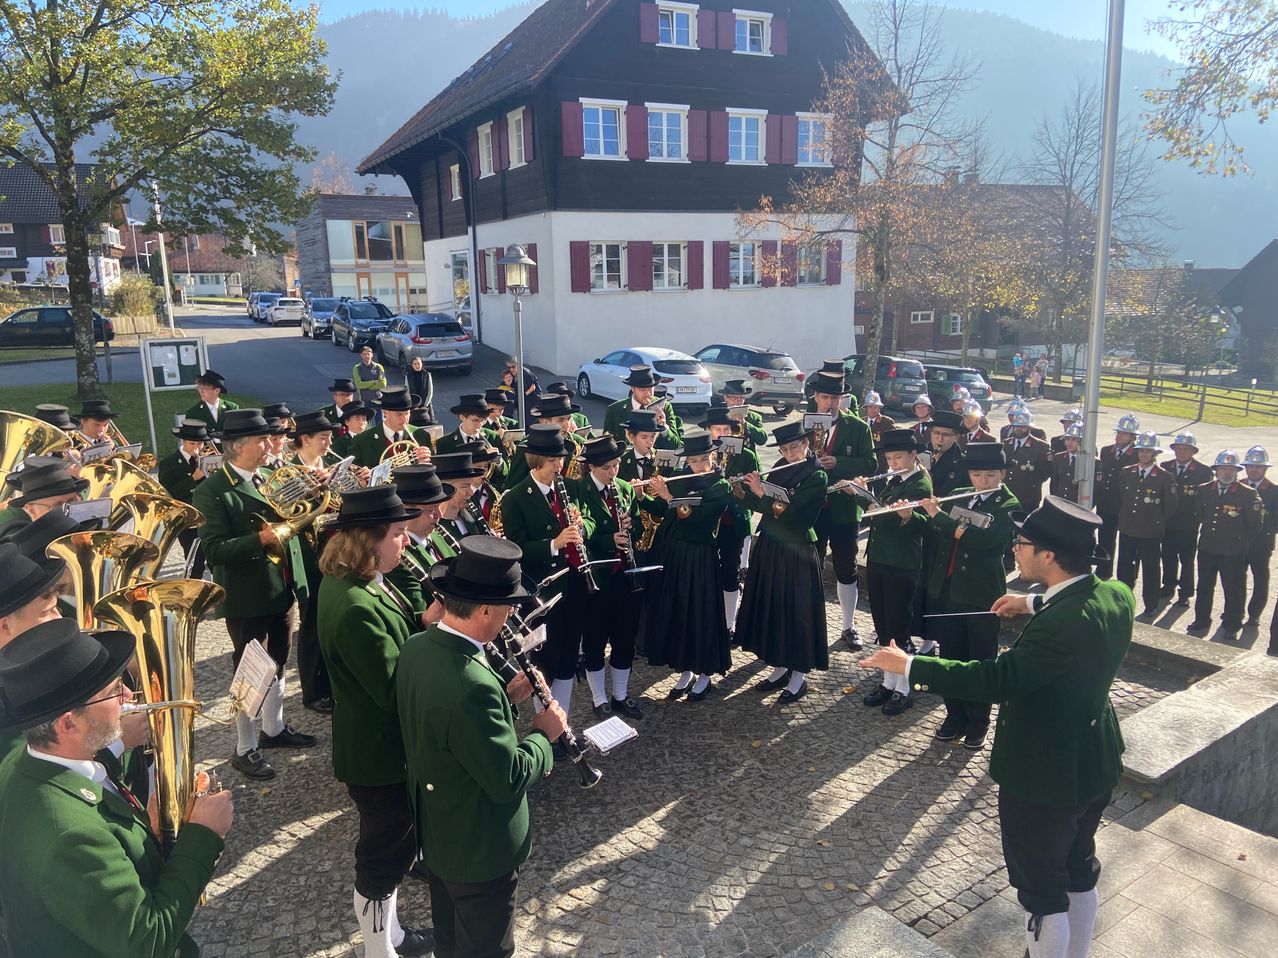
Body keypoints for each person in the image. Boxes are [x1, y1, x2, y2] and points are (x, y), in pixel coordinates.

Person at [863, 497, 1132, 958]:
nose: (1015, 549)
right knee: (1078, 868)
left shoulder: (1061, 626)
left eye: (1022, 543)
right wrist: (1029, 600)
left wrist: (911, 665)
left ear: (1048, 555)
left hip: (1045, 773)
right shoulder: (1116, 593)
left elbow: (998, 680)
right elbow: (1074, 598)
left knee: (1042, 894)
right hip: (1094, 760)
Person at [0, 619, 233, 957]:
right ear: (68, 723)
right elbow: (147, 940)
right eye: (112, 692)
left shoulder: (27, 762)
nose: (128, 696)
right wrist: (204, 834)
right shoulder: (72, 838)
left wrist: (145, 832)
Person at [397, 537, 566, 958]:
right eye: (509, 606)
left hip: (439, 832)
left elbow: (449, 727)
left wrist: (507, 699)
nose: (512, 614)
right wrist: (546, 736)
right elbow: (506, 778)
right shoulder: (473, 683)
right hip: (478, 846)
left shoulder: (418, 647)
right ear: (486, 609)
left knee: (451, 941)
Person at [316, 486, 434, 958]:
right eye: (399, 534)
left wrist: (425, 623)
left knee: (395, 849)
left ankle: (393, 937)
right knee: (382, 859)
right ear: (370, 541)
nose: (406, 542)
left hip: (379, 747)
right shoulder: (354, 606)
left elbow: (398, 637)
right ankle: (376, 949)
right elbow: (390, 690)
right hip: (378, 754)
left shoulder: (358, 583)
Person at [193, 409, 316, 780]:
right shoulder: (211, 491)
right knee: (249, 673)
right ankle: (244, 747)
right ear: (238, 446)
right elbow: (213, 550)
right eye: (262, 440)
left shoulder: (266, 477)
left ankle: (274, 729)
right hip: (247, 596)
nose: (270, 445)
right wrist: (259, 540)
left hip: (281, 587)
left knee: (278, 661)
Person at [917, 442, 1019, 749]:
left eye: (990, 475)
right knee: (951, 656)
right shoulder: (962, 494)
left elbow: (986, 542)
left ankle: (979, 722)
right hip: (949, 591)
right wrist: (928, 513)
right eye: (976, 474)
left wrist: (943, 519)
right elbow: (941, 533)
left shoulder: (1009, 505)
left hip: (981, 596)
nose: (982, 481)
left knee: (980, 661)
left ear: (1001, 473)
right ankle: (954, 715)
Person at [497, 424, 593, 728]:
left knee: (567, 657)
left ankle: (561, 722)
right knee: (545, 660)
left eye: (560, 460)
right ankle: (545, 722)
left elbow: (587, 520)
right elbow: (518, 548)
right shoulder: (515, 498)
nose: (559, 466)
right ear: (536, 460)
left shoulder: (568, 488)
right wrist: (554, 544)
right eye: (553, 461)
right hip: (542, 592)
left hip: (573, 585)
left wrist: (581, 527)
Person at [737, 421, 830, 704]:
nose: (789, 453)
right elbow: (764, 508)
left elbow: (796, 515)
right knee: (774, 608)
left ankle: (799, 675)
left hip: (798, 549)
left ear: (807, 443)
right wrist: (743, 491)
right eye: (785, 449)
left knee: (798, 612)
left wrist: (761, 493)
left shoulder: (817, 475)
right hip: (772, 546)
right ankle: (779, 667)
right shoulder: (780, 465)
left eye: (794, 447)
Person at [640, 430, 732, 702]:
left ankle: (704, 673)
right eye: (694, 461)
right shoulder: (681, 480)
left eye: (704, 459)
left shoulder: (720, 486)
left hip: (700, 557)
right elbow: (660, 511)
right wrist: (644, 496)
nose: (699, 465)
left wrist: (668, 496)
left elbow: (699, 519)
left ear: (713, 457)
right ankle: (685, 670)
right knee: (678, 611)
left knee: (699, 613)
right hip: (675, 555)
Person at [568, 435, 647, 715]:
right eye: (606, 468)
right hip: (597, 578)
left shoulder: (623, 488)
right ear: (591, 467)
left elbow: (637, 526)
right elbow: (579, 536)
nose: (613, 472)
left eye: (615, 466)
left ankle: (620, 696)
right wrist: (608, 539)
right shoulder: (577, 491)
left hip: (625, 576)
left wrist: (631, 526)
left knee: (624, 638)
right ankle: (599, 698)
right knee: (594, 641)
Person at [859, 428, 932, 716]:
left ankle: (905, 688)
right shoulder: (895, 479)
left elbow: (912, 525)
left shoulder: (920, 484)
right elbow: (877, 516)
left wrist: (870, 501)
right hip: (880, 560)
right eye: (890, 458)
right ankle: (888, 682)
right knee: (883, 626)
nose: (894, 463)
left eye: (899, 457)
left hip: (901, 564)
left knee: (898, 630)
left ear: (914, 455)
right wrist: (861, 493)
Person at [808, 371, 876, 648]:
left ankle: (848, 625)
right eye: (825, 397)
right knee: (810, 564)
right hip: (812, 507)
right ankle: (809, 622)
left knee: (846, 566)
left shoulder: (858, 427)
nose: (830, 403)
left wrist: (839, 463)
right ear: (815, 397)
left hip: (845, 509)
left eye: (835, 397)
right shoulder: (805, 424)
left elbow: (870, 465)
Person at [1187, 450, 1262, 639]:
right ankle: (1201, 620)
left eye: (1230, 469)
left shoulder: (1247, 494)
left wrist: (1238, 540)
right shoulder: (1205, 489)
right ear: (1216, 470)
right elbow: (1197, 514)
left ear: (1237, 471)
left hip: (1232, 551)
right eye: (1222, 469)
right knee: (1204, 586)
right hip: (1207, 548)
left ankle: (1232, 623)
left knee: (1232, 589)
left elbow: (1254, 525)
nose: (1226, 473)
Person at [701, 405, 760, 635]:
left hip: (732, 521)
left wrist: (741, 489)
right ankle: (706, 616)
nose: (723, 432)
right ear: (709, 430)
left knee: (731, 571)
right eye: (718, 429)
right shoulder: (701, 453)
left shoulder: (746, 455)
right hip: (706, 522)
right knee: (706, 571)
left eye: (727, 428)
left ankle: (728, 623)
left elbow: (757, 491)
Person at [384, 464, 454, 627]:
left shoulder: (437, 536)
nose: (440, 515)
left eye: (439, 507)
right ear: (406, 510)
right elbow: (422, 614)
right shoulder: (397, 558)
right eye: (431, 510)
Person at [1116, 432, 1177, 618]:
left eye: (1148, 451)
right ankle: (1123, 600)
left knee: (1150, 569)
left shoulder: (1165, 477)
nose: (1144, 455)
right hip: (1128, 528)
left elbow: (1171, 506)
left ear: (1155, 454)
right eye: (1141, 451)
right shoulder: (1127, 472)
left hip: (1150, 531)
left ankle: (1151, 604)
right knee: (1125, 567)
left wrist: (1155, 520)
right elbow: (1122, 498)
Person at [157, 419, 214, 577]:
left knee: (213, 557)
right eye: (192, 444)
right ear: (182, 441)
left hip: (208, 515)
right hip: (186, 518)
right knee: (195, 561)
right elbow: (168, 493)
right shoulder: (168, 464)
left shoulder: (207, 460)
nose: (196, 449)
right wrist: (192, 479)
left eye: (200, 444)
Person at [1161, 432, 1212, 608]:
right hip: (1168, 522)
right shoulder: (1165, 466)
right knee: (1168, 557)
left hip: (1188, 525)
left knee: (1187, 560)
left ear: (1193, 451)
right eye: (1179, 449)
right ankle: (1168, 586)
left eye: (1186, 449)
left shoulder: (1203, 472)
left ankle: (1185, 593)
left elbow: (1204, 500)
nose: (1182, 453)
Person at [1095, 415, 1140, 579]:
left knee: (1128, 545)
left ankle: (1127, 576)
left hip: (1126, 505)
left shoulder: (1137, 454)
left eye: (1124, 433)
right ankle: (1103, 570)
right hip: (1107, 503)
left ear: (1133, 437)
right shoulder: (1107, 451)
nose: (1119, 436)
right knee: (1105, 539)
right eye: (1118, 432)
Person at [0, 460, 88, 538]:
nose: (69, 512)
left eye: (73, 502)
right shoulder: (17, 541)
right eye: (58, 508)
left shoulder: (87, 527)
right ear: (32, 511)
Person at [351, 387, 433, 469]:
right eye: (399, 414)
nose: (405, 419)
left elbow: (434, 471)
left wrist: (426, 461)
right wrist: (362, 477)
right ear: (385, 412)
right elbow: (352, 471)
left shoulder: (421, 435)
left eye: (407, 413)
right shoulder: (362, 440)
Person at [1242, 445, 1278, 627]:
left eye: (1258, 467)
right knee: (1236, 580)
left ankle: (1254, 614)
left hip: (1261, 544)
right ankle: (1234, 612)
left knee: (1260, 580)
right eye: (1250, 466)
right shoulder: (1238, 486)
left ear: (1265, 469)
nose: (1254, 469)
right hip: (1238, 543)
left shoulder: (1274, 491)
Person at [602, 365, 683, 444]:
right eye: (643, 390)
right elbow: (608, 444)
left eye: (650, 389)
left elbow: (676, 445)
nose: (648, 393)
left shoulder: (664, 407)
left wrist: (664, 427)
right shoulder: (615, 409)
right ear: (632, 388)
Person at [1003, 409, 1053, 514]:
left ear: (1029, 427)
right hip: (1007, 495)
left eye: (1023, 426)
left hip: (1028, 497)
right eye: (1016, 426)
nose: (1019, 429)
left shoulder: (1041, 446)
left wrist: (1031, 482)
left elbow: (1045, 473)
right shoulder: (1005, 444)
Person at [436, 394, 503, 455]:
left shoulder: (493, 437)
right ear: (462, 417)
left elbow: (506, 467)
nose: (480, 425)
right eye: (475, 420)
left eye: (483, 420)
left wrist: (498, 460)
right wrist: (481, 455)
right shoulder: (444, 443)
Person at [927, 410, 969, 498]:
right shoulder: (918, 455)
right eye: (936, 433)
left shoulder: (964, 463)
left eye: (946, 435)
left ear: (956, 437)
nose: (940, 439)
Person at [1049, 423, 1094, 504]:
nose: (1069, 443)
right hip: (1060, 503)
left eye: (1074, 440)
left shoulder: (1091, 461)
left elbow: (1095, 489)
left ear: (1082, 441)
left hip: (1078, 505)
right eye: (1067, 439)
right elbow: (1054, 483)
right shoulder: (1058, 457)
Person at [185, 369, 238, 435]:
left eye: (205, 388)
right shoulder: (193, 412)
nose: (201, 391)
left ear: (217, 391)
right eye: (199, 388)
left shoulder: (231, 408)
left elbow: (236, 433)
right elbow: (192, 437)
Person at [722, 380, 769, 448]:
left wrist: (745, 424)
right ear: (725, 398)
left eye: (741, 397)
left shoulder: (754, 417)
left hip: (748, 456)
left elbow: (762, 440)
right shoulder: (717, 415)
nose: (737, 401)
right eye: (733, 398)